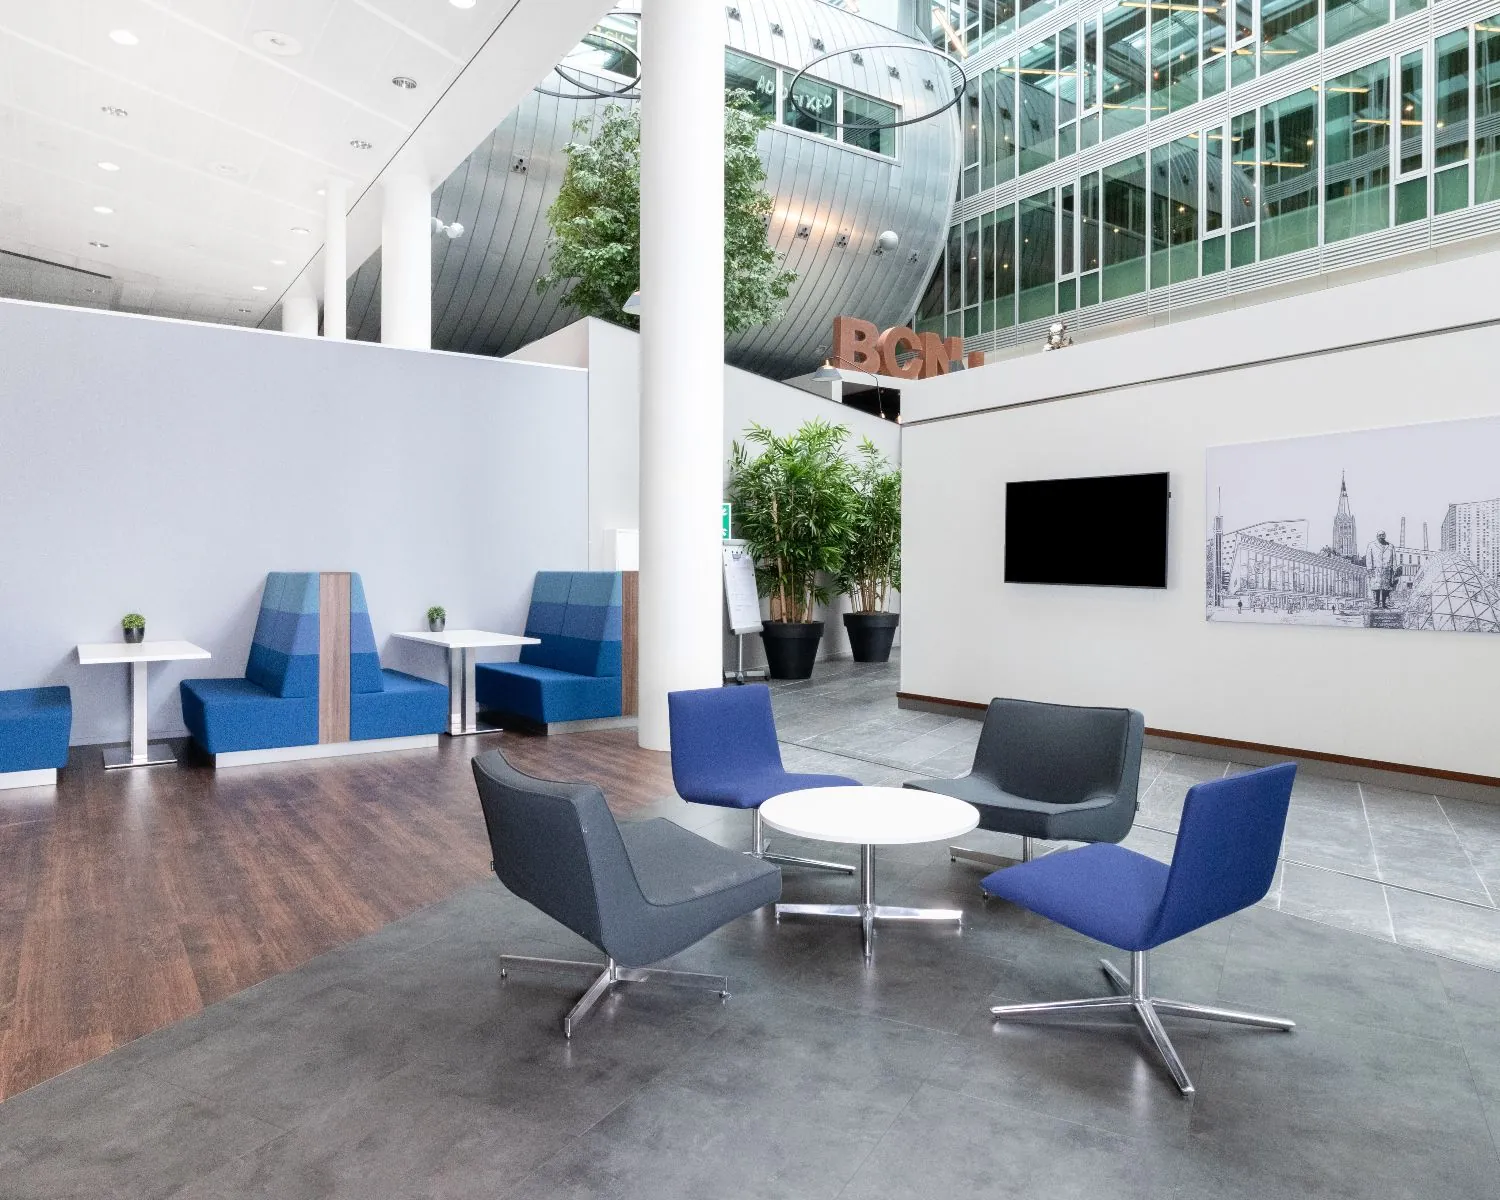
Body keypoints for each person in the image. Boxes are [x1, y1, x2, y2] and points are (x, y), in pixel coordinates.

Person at [1366, 531, 1396, 610]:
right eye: (1380, 535)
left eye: (1383, 535)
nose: (1381, 537)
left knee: (1386, 587)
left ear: (1385, 536)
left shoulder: (1390, 546)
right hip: (1376, 569)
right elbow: (1369, 558)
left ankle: (1384, 603)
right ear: (1377, 536)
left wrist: (1394, 569)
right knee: (1376, 587)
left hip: (1387, 569)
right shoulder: (1371, 545)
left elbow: (1394, 558)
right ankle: (1376, 603)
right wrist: (1369, 569)